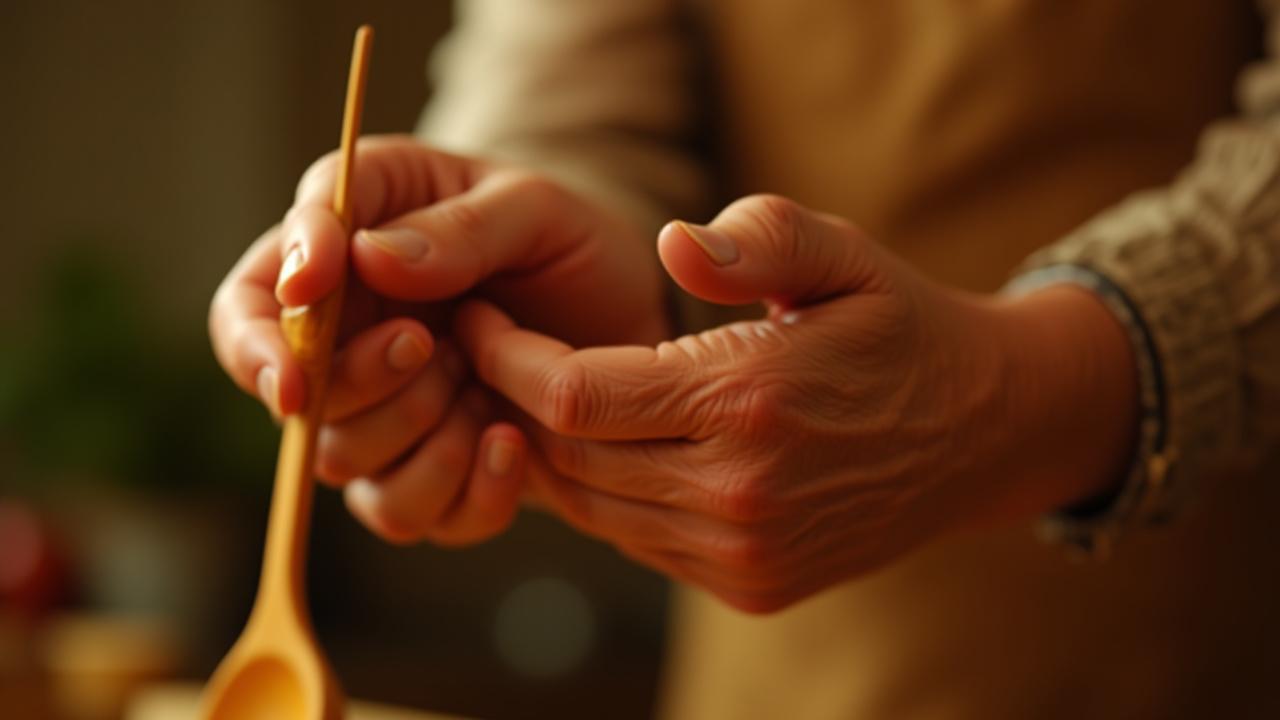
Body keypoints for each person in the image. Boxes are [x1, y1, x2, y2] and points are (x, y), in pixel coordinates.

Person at [209, 1, 1280, 717]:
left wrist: (1035, 384)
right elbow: (567, 88)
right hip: (776, 675)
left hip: (1188, 641)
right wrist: (502, 238)